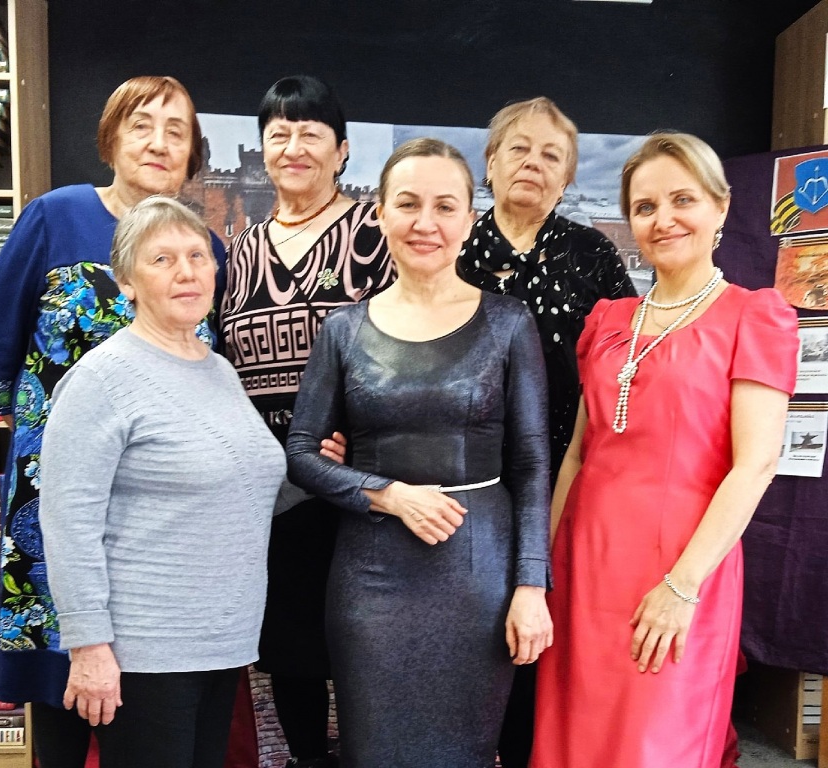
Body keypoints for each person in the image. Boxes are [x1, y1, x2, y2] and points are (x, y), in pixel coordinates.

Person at [0, 76, 227, 768]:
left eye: (177, 131)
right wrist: (33, 435)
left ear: (193, 154)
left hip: (159, 503)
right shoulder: (56, 217)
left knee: (148, 691)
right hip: (56, 486)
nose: (159, 142)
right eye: (143, 125)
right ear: (111, 138)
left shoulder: (205, 246)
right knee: (62, 675)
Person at [530, 132, 799, 768]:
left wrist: (682, 586)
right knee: (575, 735)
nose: (663, 219)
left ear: (721, 206)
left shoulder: (755, 316)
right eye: (645, 206)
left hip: (682, 564)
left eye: (683, 199)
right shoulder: (607, 319)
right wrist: (540, 571)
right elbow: (579, 454)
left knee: (657, 742)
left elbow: (756, 464)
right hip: (583, 562)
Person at [285, 138, 552, 767]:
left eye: (444, 206)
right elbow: (300, 453)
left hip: (480, 572)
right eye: (407, 204)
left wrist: (531, 584)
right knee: (372, 749)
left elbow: (531, 464)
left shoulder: (509, 322)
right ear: (380, 213)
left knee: (466, 750)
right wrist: (386, 494)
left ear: (469, 218)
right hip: (372, 578)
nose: (425, 223)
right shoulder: (344, 330)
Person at [37, 196, 286, 768]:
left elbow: (242, 484)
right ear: (126, 282)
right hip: (144, 650)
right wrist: (89, 646)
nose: (186, 272)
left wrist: (335, 469)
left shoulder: (218, 370)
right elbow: (68, 523)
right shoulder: (101, 378)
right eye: (162, 259)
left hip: (222, 642)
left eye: (197, 256)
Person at [455, 96, 637, 768]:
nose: (533, 163)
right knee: (470, 639)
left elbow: (629, 366)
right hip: (465, 483)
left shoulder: (592, 255)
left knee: (544, 637)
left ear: (567, 178)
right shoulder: (453, 249)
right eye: (519, 148)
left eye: (551, 155)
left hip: (565, 480)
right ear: (490, 163)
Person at [220, 74, 395, 768]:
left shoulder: (375, 233)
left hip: (355, 479)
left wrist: (367, 434)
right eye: (279, 134)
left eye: (311, 133)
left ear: (342, 150)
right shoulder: (239, 252)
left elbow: (407, 344)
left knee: (360, 645)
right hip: (267, 487)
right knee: (289, 646)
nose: (294, 147)